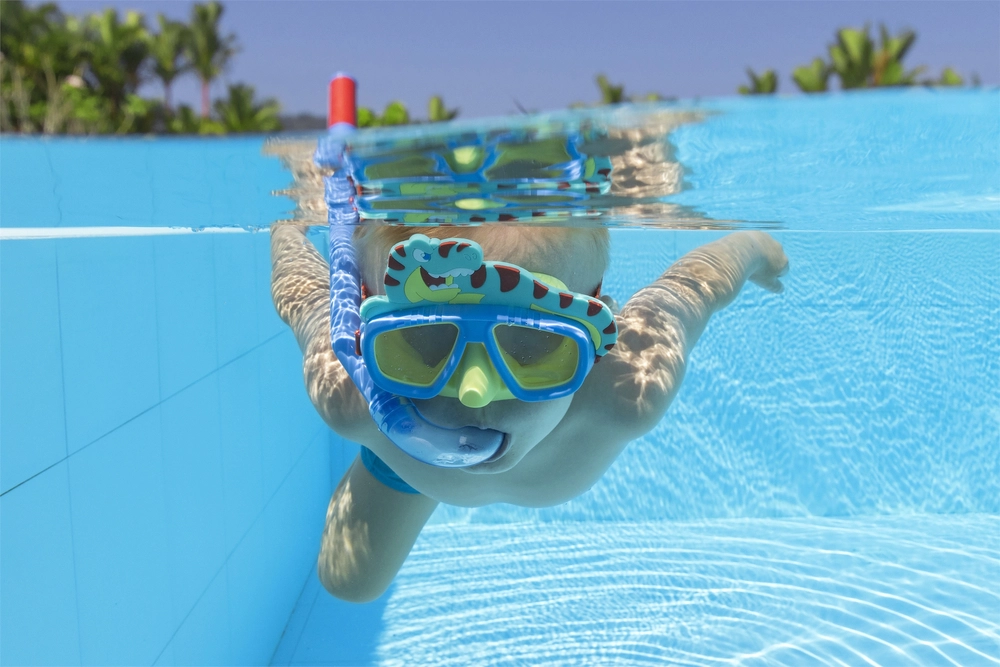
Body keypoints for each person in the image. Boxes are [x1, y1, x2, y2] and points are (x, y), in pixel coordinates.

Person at [271, 221, 787, 602]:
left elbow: (689, 290)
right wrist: (287, 231)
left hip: (410, 454)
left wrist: (752, 247)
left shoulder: (627, 390)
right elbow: (305, 296)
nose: (474, 394)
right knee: (347, 583)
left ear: (598, 341)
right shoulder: (351, 395)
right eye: (423, 343)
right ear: (364, 341)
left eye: (531, 347)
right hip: (402, 464)